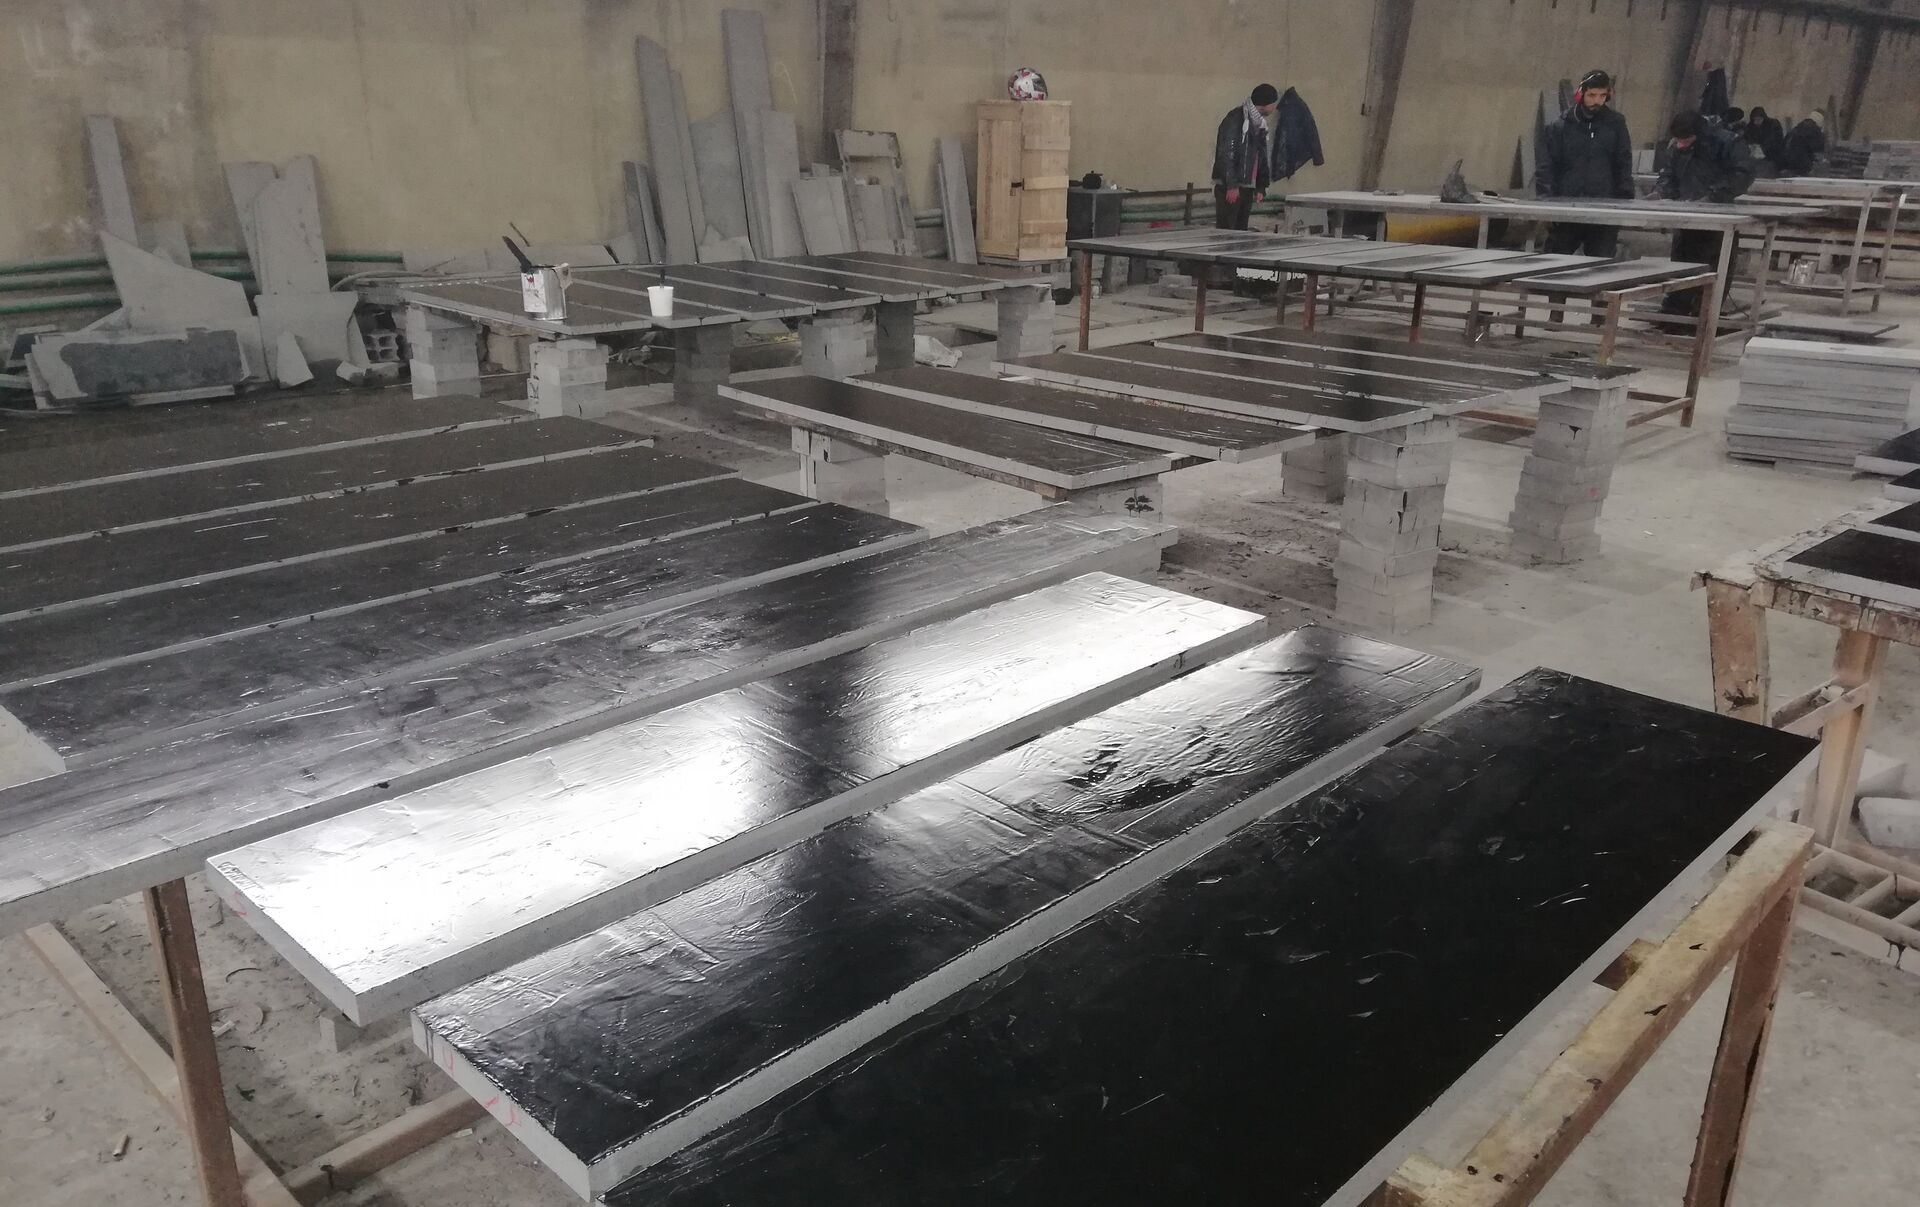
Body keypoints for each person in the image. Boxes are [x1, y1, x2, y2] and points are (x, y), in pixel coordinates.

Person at [1650, 111, 1755, 315]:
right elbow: (1669, 173)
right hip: (1687, 218)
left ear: (1698, 134)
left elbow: (1742, 174)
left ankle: (1704, 316)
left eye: (1685, 140)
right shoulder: (1679, 146)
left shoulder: (1728, 143)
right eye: (1678, 140)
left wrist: (1713, 197)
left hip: (1719, 221)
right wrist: (1662, 192)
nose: (1680, 145)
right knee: (1681, 266)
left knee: (1713, 269)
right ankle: (1675, 315)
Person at [1535, 68, 1634, 257]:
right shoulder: (1561, 127)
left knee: (1600, 264)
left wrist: (1624, 201)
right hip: (1567, 206)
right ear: (1581, 94)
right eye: (1592, 95)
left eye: (1602, 96)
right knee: (1555, 261)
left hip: (1605, 208)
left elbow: (1623, 163)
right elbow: (1547, 166)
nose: (1597, 101)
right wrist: (1546, 202)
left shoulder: (1616, 125)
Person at [1213, 84, 1279, 230]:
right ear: (1265, 103)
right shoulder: (1235, 119)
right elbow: (1227, 153)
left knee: (1241, 230)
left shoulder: (1260, 124)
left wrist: (1261, 185)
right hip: (1231, 187)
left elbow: (1261, 155)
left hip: (1247, 186)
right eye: (1273, 103)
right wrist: (1232, 185)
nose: (1275, 107)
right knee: (1227, 230)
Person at [1779, 110, 1828, 176]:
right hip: (1802, 166)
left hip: (1786, 165)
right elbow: (1818, 153)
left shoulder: (1796, 128)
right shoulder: (1815, 130)